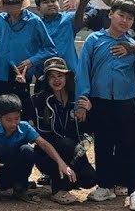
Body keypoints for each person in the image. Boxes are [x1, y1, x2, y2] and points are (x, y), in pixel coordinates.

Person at [76, 0, 135, 211]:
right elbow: (83, 71)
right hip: (99, 101)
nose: (125, 21)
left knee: (131, 147)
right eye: (121, 16)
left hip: (127, 101)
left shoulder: (132, 46)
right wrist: (82, 99)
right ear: (110, 14)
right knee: (104, 145)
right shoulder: (94, 40)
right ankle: (105, 185)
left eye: (129, 18)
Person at [0, 93, 75, 206]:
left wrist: (61, 163)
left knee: (28, 150)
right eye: (9, 120)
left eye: (17, 118)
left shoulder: (24, 127)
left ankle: (19, 189)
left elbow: (44, 144)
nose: (14, 123)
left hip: (14, 172)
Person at [32, 57, 97, 205]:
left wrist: (90, 110)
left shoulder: (77, 99)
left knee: (90, 179)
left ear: (67, 77)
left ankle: (67, 180)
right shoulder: (40, 100)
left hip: (74, 150)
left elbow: (89, 129)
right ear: (46, 79)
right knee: (65, 144)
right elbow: (43, 134)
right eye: (52, 76)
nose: (56, 80)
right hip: (47, 153)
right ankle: (58, 189)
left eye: (60, 75)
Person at [0, 0, 55, 121]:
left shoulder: (34, 21)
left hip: (20, 75)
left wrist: (32, 61)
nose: (13, 11)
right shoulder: (1, 19)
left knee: (18, 116)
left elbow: (50, 48)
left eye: (16, 8)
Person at [35, 0, 79, 67]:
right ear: (38, 8)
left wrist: (82, 1)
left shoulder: (69, 18)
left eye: (53, 1)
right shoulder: (36, 25)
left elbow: (90, 15)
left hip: (69, 71)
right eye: (46, 2)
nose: (51, 4)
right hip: (46, 72)